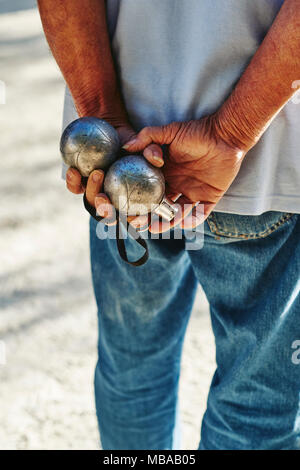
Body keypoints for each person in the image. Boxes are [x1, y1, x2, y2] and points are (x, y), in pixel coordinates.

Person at [38, 0, 300, 450]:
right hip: (262, 154)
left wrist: (103, 112)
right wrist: (230, 133)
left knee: (133, 365)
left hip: (122, 155)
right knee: (256, 403)